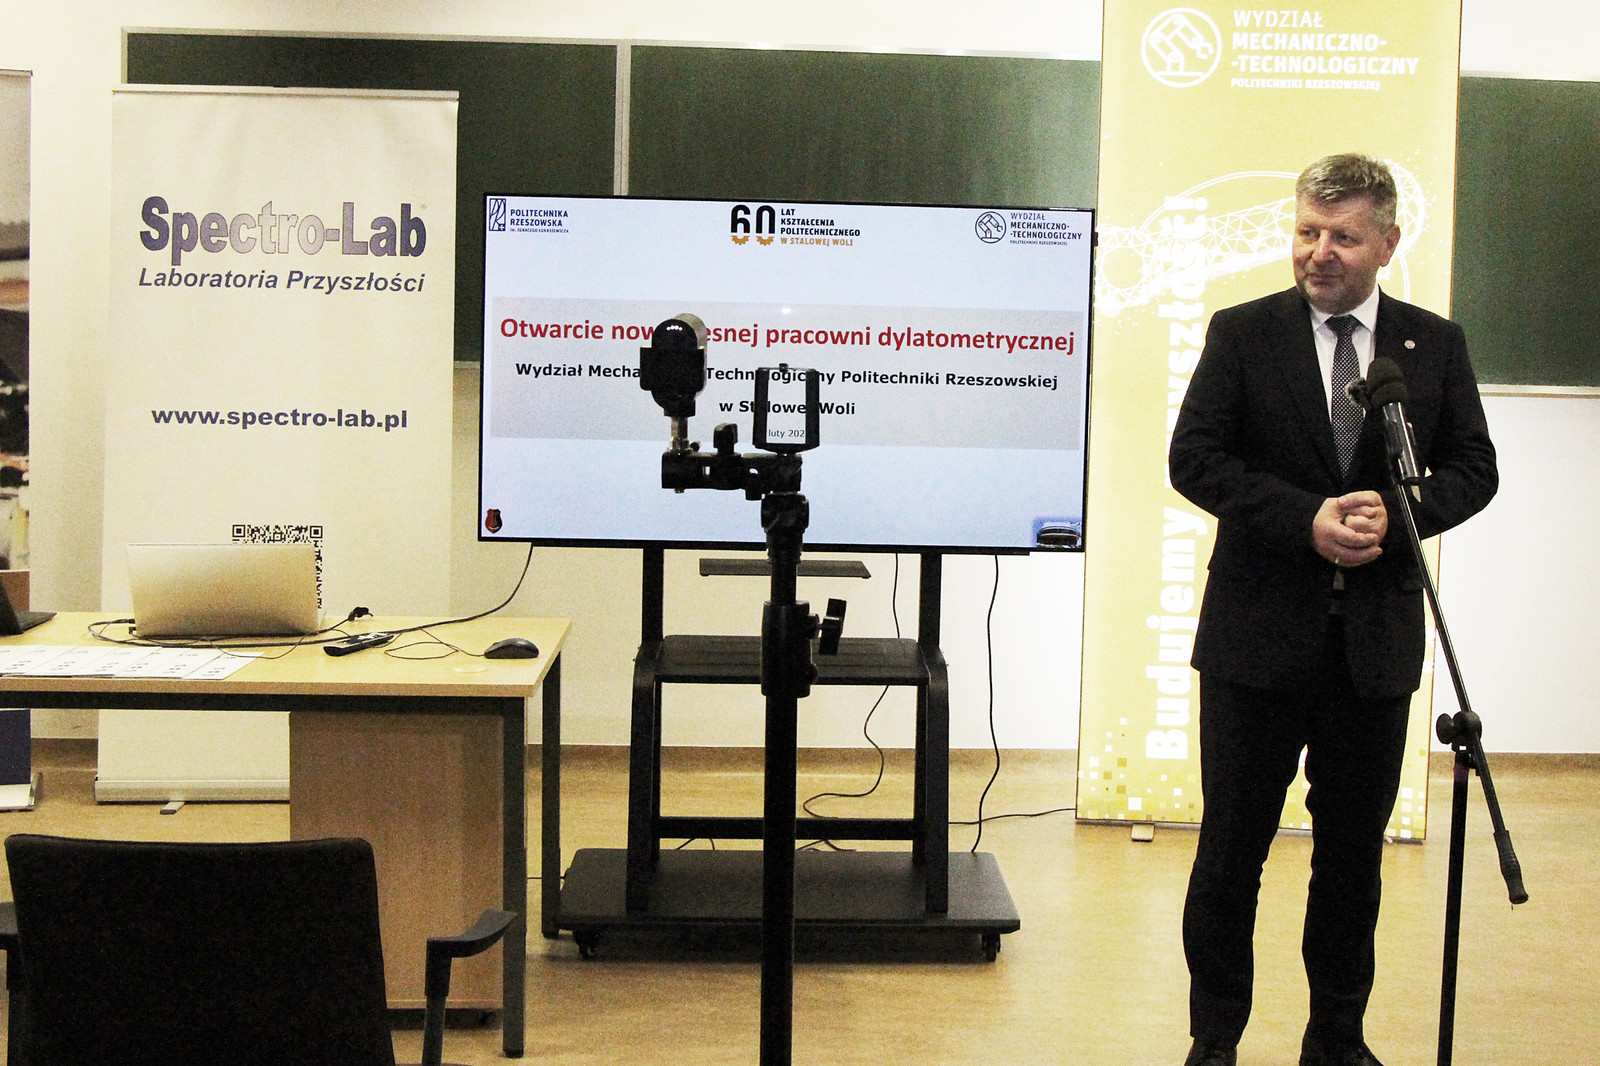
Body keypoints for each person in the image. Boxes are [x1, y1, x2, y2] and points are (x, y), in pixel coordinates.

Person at [1168, 153, 1499, 1066]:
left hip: (1374, 651)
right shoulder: (1243, 333)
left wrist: (1398, 513)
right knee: (1230, 855)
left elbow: (1474, 469)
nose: (1319, 252)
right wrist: (1304, 518)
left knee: (1351, 863)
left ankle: (1337, 1039)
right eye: (1307, 231)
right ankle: (1215, 1039)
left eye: (1343, 237)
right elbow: (1195, 460)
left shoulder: (1433, 345)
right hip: (1255, 644)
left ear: (1387, 243)